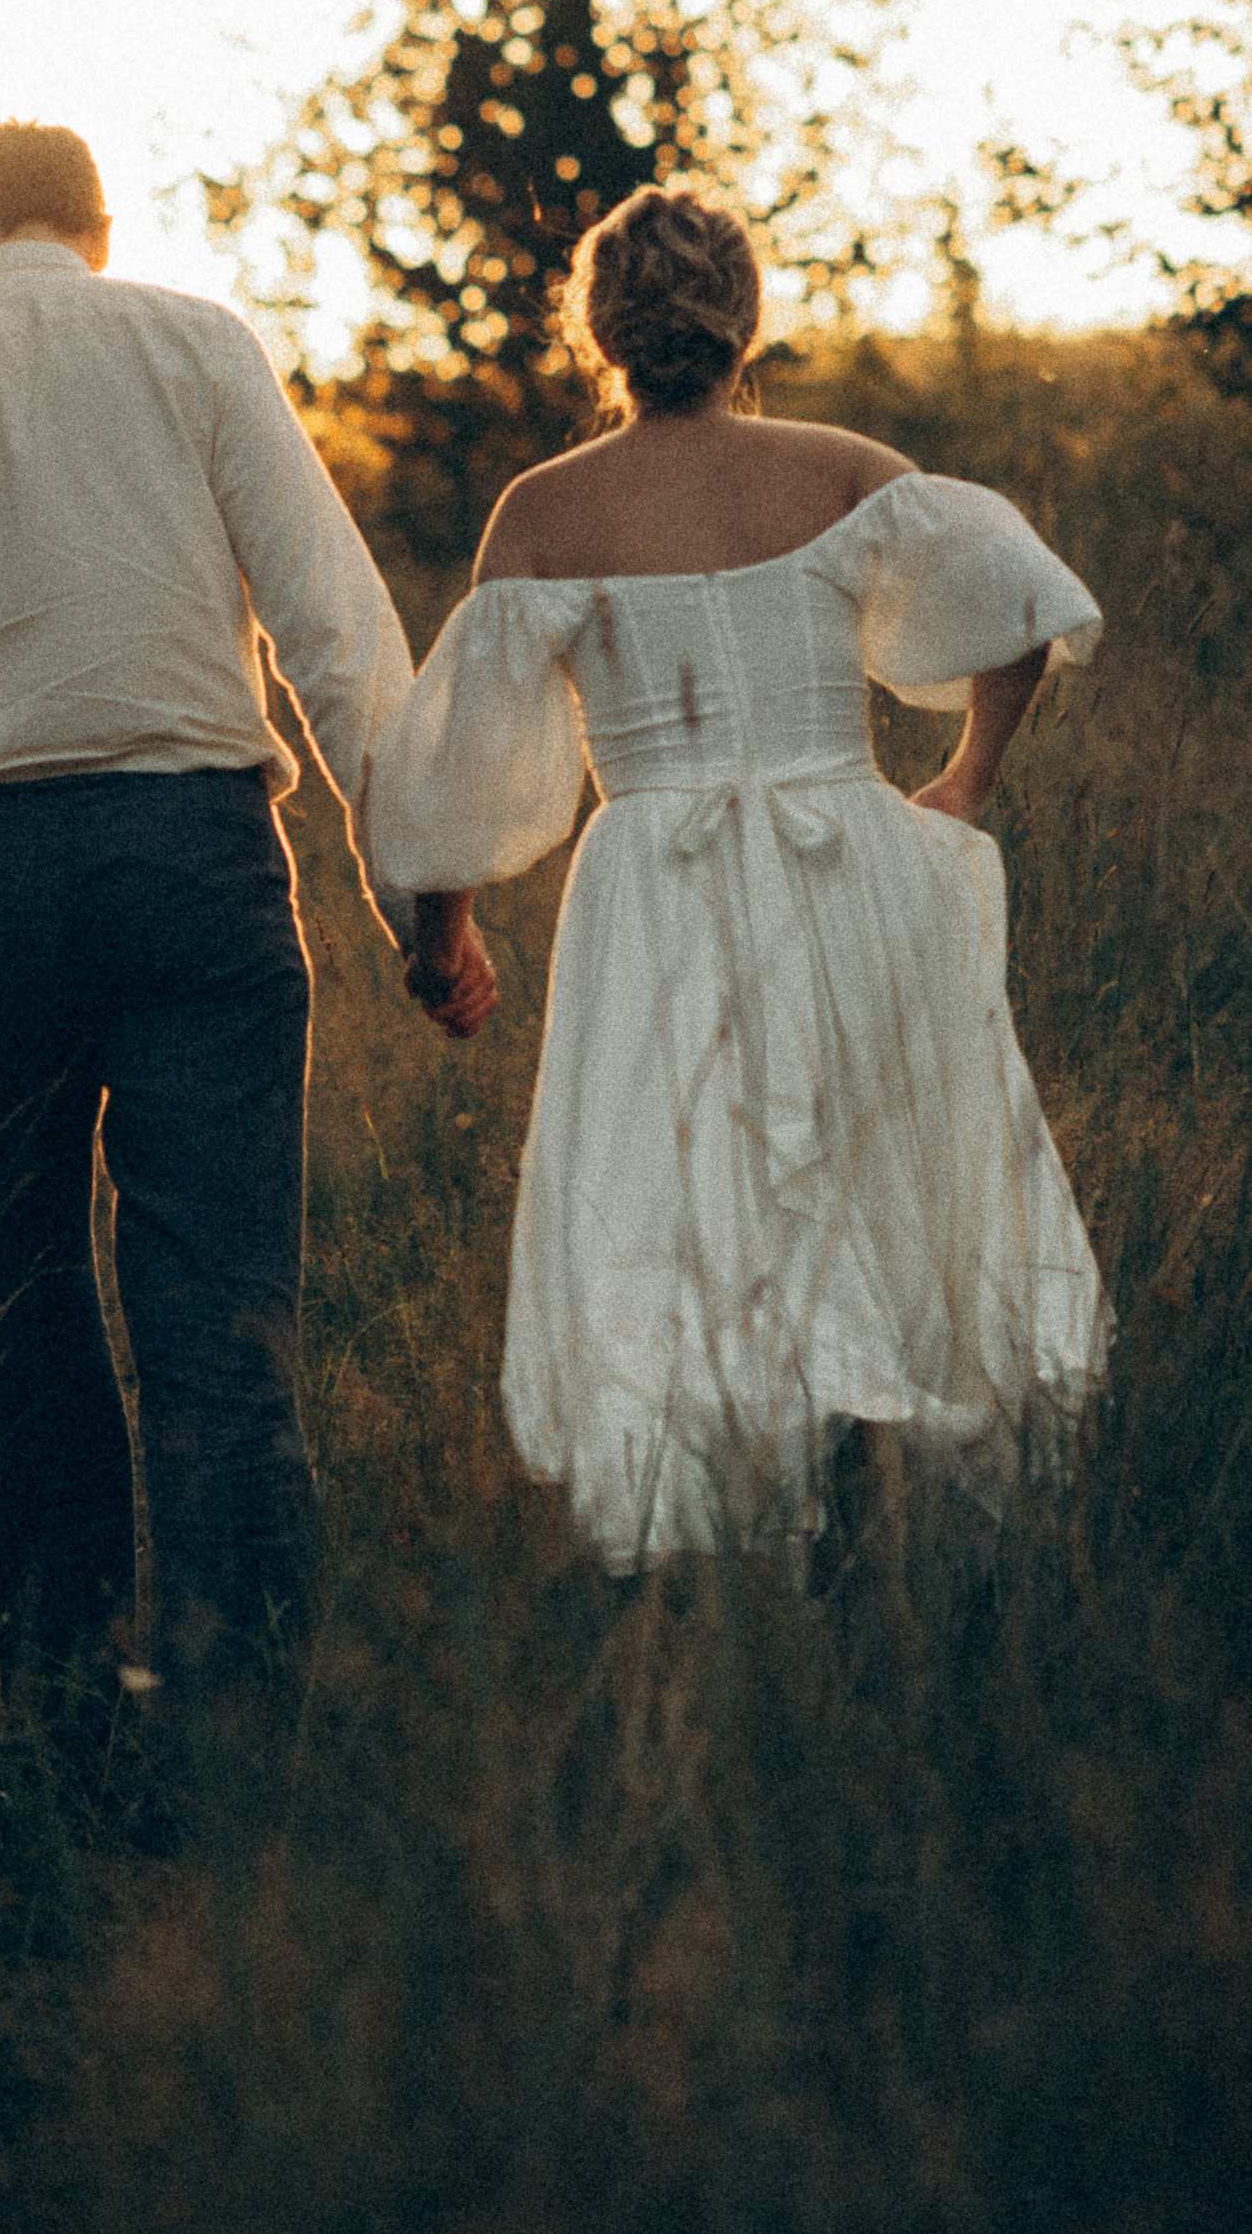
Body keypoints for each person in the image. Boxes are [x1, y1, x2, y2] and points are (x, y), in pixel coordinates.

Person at [0, 119, 494, 1733]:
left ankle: (47, 1701)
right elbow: (334, 627)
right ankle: (238, 1720)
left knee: (17, 1293)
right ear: (96, 229)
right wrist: (418, 891)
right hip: (191, 860)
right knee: (216, 1312)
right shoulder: (196, 348)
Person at [371, 182, 1107, 1569]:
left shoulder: (543, 509)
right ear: (741, 316)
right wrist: (962, 781)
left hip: (652, 879)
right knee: (855, 1165)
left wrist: (442, 936)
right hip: (847, 860)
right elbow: (1024, 605)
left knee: (678, 1188)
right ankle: (854, 1524)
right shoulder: (838, 469)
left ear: (600, 333)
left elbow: (455, 766)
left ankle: (746, 1532)